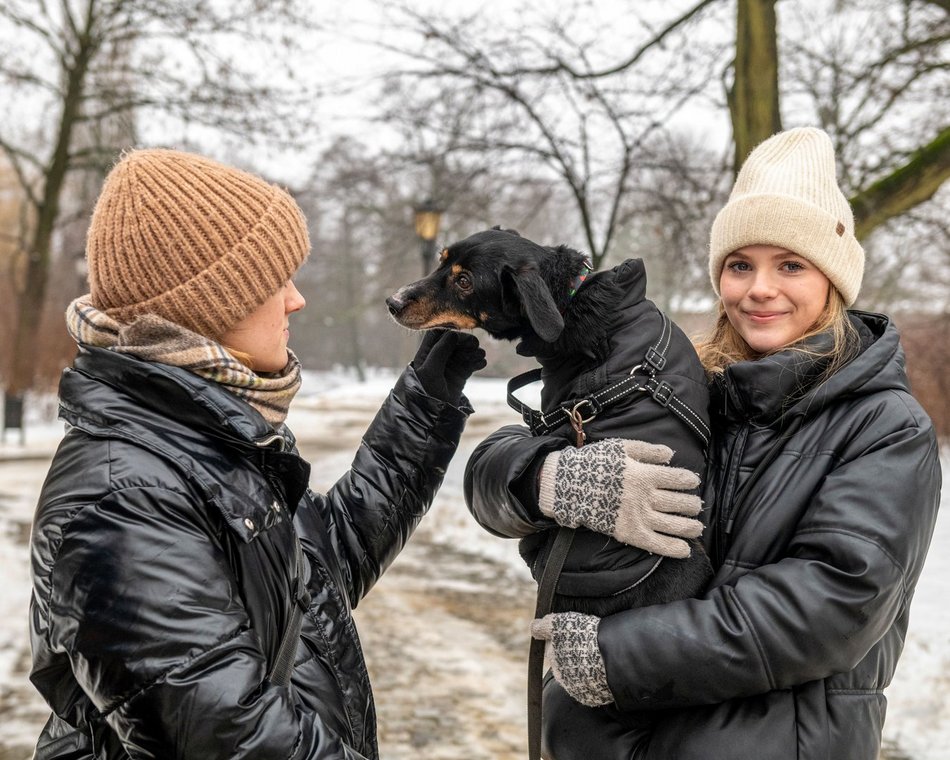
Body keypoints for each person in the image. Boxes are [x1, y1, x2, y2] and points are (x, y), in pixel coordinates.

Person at [464, 127, 942, 759]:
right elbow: (490, 478)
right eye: (740, 265)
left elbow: (832, 605)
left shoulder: (884, 425)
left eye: (791, 265)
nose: (759, 289)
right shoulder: (685, 385)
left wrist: (616, 656)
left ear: (834, 279)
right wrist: (546, 479)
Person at [28, 149, 486, 759]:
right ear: (209, 307)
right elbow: (237, 738)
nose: (295, 300)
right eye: (274, 282)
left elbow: (320, 571)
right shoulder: (121, 497)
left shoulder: (202, 437)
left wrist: (425, 404)